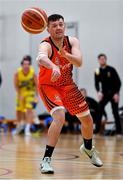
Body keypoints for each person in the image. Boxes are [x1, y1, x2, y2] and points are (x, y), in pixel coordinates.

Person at [36, 14, 103, 174]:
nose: (58, 27)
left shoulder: (72, 41)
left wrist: (66, 56)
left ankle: (88, 148)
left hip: (67, 85)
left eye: (61, 24)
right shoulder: (45, 44)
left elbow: (79, 62)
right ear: (48, 29)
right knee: (60, 117)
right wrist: (54, 66)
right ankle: (46, 160)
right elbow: (41, 57)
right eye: (54, 25)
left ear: (64, 26)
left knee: (87, 120)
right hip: (49, 86)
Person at [94, 53, 122, 135]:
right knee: (99, 109)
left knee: (115, 111)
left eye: (103, 59)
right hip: (104, 94)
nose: (102, 60)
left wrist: (117, 93)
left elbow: (119, 82)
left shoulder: (111, 69)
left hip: (113, 93)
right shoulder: (97, 71)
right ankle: (97, 129)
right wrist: (98, 91)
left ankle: (119, 131)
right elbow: (96, 83)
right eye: (100, 59)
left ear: (105, 60)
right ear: (98, 60)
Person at [14, 55, 38, 136]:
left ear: (29, 65)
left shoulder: (33, 73)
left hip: (30, 93)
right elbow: (16, 85)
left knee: (29, 110)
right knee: (18, 111)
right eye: (24, 64)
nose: (26, 66)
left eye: (28, 64)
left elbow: (37, 85)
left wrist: (36, 96)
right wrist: (19, 93)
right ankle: (19, 126)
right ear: (22, 65)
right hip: (21, 93)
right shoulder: (17, 73)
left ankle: (27, 129)